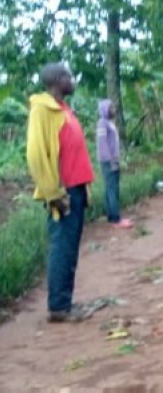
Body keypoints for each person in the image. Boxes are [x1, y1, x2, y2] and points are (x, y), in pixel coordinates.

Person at [25, 63, 95, 323]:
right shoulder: (42, 111)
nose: (72, 80)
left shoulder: (63, 110)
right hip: (62, 192)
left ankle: (64, 302)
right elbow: (35, 153)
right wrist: (52, 192)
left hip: (75, 189)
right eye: (68, 76)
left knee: (70, 247)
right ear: (57, 80)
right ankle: (59, 306)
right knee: (62, 247)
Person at [97, 99, 132, 229]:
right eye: (111, 108)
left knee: (110, 187)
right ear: (105, 110)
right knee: (112, 188)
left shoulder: (108, 123)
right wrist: (111, 160)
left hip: (112, 159)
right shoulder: (102, 123)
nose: (114, 110)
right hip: (108, 160)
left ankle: (111, 215)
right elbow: (103, 144)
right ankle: (116, 219)